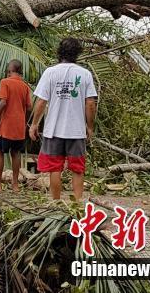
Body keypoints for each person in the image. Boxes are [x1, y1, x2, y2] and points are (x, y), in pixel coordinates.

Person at [29, 38, 98, 201]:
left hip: (54, 130)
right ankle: (77, 204)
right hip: (76, 131)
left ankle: (56, 202)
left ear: (60, 52)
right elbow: (90, 103)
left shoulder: (50, 72)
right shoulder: (85, 74)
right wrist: (89, 127)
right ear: (77, 53)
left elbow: (41, 101)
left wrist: (34, 124)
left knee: (55, 169)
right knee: (77, 169)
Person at [0, 59, 31, 192]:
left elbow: (3, 103)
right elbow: (29, 107)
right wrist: (23, 120)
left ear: (9, 71)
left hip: (6, 126)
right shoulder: (25, 86)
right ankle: (15, 185)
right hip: (19, 126)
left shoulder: (5, 82)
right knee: (16, 153)